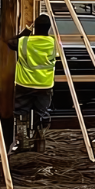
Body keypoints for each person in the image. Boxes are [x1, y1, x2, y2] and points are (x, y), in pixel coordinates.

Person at [8, 14, 59, 152]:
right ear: (49, 28)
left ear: (35, 27)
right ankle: (40, 136)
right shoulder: (53, 43)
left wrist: (27, 30)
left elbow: (10, 42)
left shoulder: (24, 41)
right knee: (41, 112)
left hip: (24, 83)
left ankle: (23, 140)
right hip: (45, 84)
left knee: (20, 111)